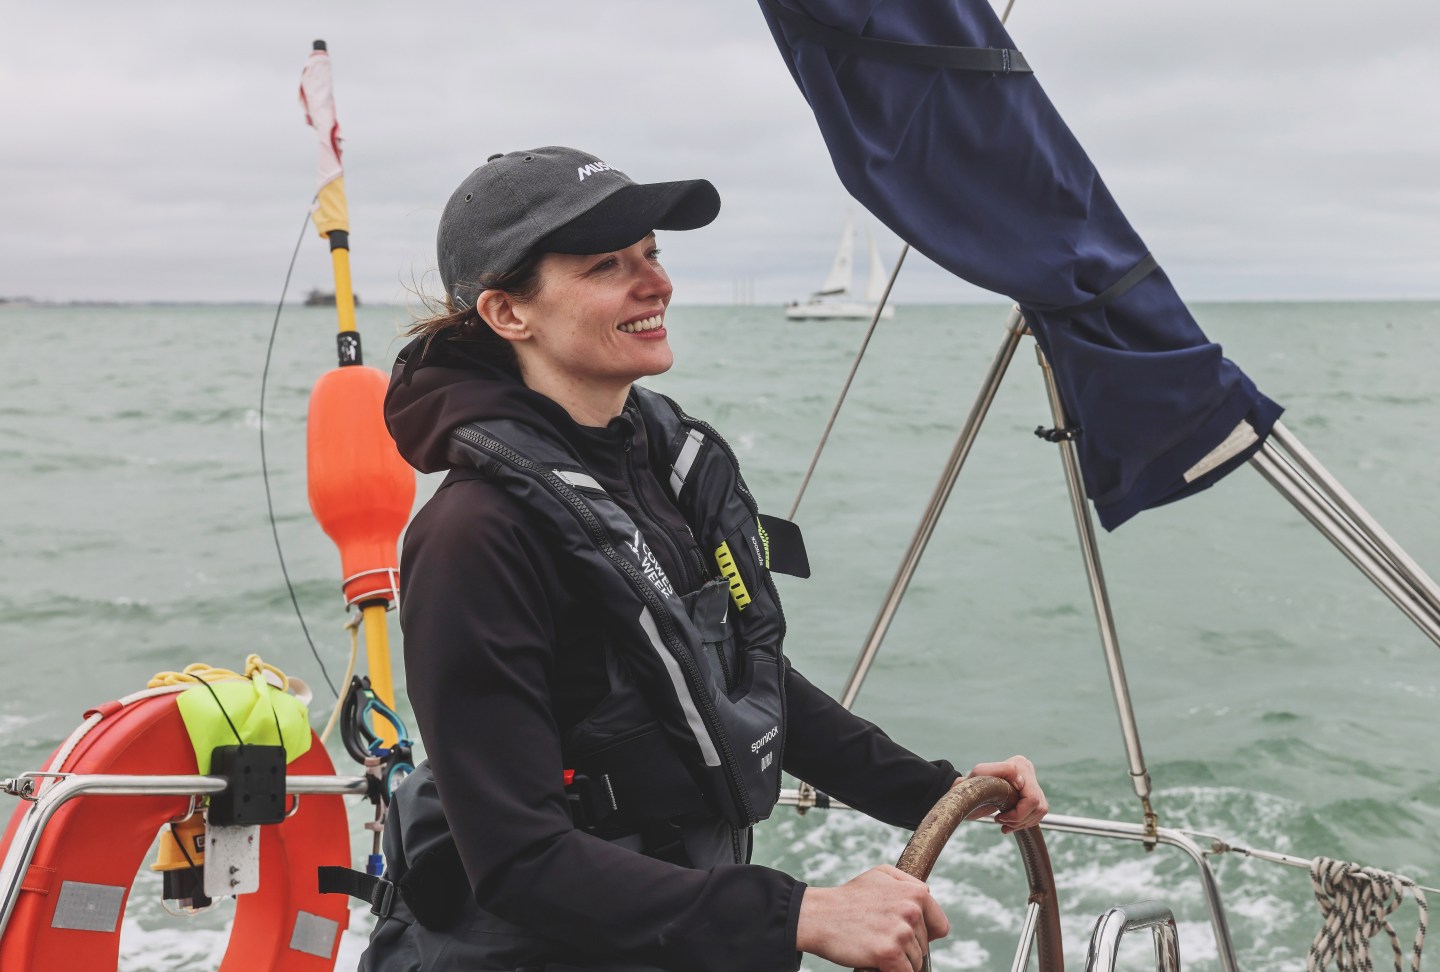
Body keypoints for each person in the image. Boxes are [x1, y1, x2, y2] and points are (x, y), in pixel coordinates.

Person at [361, 146, 1048, 972]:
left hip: (673, 934)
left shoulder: (652, 472)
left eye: (652, 254)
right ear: (509, 313)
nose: (655, 284)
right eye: (607, 265)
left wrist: (934, 793)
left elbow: (733, 684)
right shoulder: (474, 536)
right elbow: (519, 861)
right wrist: (800, 912)